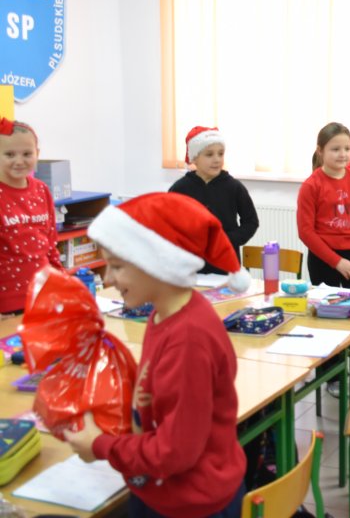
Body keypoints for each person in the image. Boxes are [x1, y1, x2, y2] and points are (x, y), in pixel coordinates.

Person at [65, 192, 249, 518]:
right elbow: (159, 396)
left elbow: (175, 452)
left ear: (157, 264)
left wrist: (99, 445)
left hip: (190, 504)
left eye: (117, 266)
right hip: (164, 489)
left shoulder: (188, 339)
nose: (107, 279)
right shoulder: (163, 314)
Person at [169, 126, 259, 275]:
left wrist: (227, 240)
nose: (217, 159)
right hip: (190, 268)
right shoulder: (180, 188)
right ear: (195, 158)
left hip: (226, 267)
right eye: (209, 154)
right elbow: (168, 225)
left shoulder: (234, 187)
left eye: (220, 153)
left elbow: (251, 222)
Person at [298, 122, 350, 287]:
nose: (342, 154)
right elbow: (305, 232)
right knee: (328, 304)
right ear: (320, 151)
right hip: (323, 259)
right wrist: (337, 262)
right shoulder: (311, 186)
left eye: (347, 149)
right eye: (335, 149)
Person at [0, 118, 63, 314]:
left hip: (44, 294)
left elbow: (50, 244)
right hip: (6, 303)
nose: (19, 161)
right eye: (10, 154)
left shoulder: (41, 190)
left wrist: (62, 282)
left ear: (37, 154)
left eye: (27, 154)